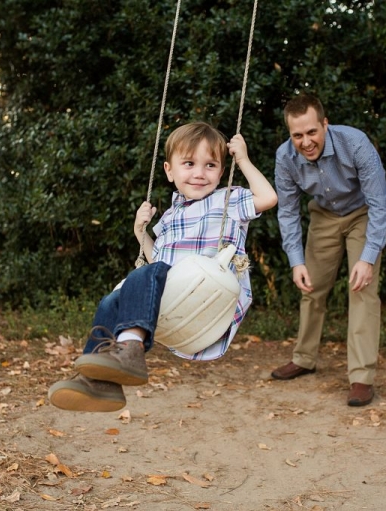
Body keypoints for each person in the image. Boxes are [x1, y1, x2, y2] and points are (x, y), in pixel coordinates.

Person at [48, 121, 277, 412]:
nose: (199, 173)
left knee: (144, 275)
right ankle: (97, 381)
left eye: (210, 165)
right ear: (169, 171)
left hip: (210, 295)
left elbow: (268, 198)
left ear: (222, 171)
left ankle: (131, 348)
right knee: (114, 298)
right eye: (189, 163)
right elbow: (158, 262)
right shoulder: (170, 216)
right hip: (179, 297)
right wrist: (141, 234)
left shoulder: (228, 199)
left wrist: (242, 159)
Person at [270, 93, 386, 407]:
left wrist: (367, 257)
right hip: (323, 216)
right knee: (311, 286)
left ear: (325, 124)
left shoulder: (356, 144)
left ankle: (362, 378)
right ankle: (304, 358)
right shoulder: (285, 157)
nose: (306, 141)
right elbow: (287, 211)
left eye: (312, 132)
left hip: (362, 214)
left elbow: (380, 203)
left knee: (362, 289)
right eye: (297, 135)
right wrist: (296, 261)